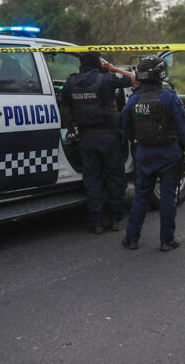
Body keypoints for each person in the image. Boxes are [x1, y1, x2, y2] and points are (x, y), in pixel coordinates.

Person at [120, 56, 185, 252]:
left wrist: (140, 145)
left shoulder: (133, 99)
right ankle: (167, 240)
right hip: (169, 155)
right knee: (167, 197)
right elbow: (184, 130)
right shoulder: (169, 97)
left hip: (144, 155)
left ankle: (132, 238)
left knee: (141, 196)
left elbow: (127, 130)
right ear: (161, 74)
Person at [61, 52, 135, 234]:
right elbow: (134, 79)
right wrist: (111, 68)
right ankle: (116, 219)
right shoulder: (108, 78)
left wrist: (71, 129)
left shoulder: (70, 83)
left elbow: (66, 111)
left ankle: (97, 223)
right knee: (114, 178)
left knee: (92, 180)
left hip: (87, 138)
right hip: (110, 137)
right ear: (98, 61)